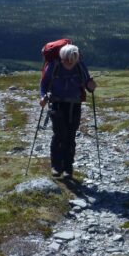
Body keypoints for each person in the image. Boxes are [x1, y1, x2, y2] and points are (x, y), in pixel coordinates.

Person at [40, 44, 97, 178]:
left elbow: (88, 84)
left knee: (70, 136)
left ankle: (67, 168)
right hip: (57, 104)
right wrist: (43, 97)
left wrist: (91, 86)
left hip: (74, 105)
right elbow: (44, 83)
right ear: (62, 58)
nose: (70, 63)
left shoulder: (80, 66)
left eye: (73, 60)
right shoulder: (54, 66)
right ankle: (56, 166)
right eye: (68, 60)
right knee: (60, 134)